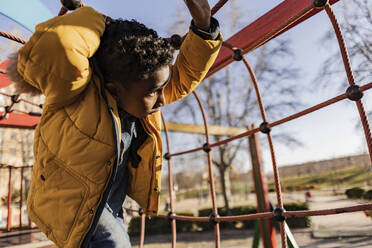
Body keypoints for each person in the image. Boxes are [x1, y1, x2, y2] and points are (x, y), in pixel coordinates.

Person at [7, 0, 222, 247]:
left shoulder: (142, 99)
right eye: (154, 91)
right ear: (115, 90)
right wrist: (98, 20)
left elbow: (184, 77)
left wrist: (204, 28)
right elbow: (58, 45)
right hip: (72, 207)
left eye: (162, 87)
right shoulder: (79, 94)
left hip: (108, 205)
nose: (163, 98)